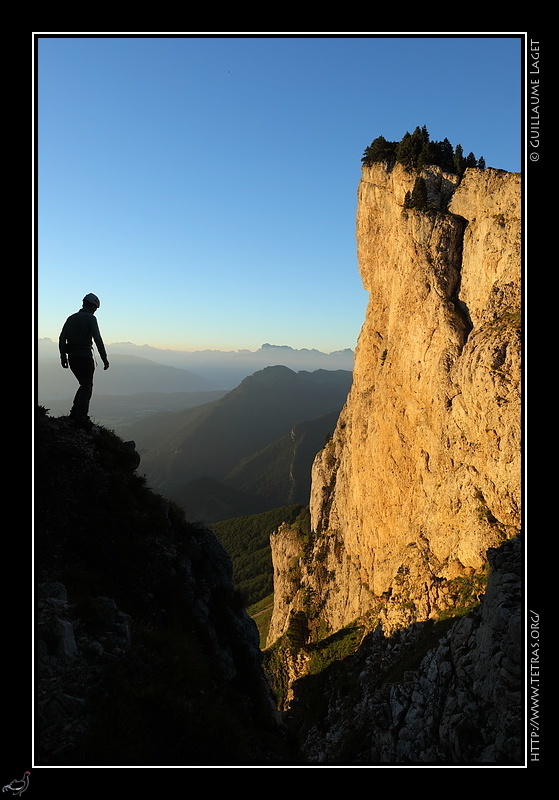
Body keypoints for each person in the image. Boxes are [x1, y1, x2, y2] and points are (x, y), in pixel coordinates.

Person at [59, 293, 110, 428]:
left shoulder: (71, 318)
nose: (95, 310)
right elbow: (97, 339)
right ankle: (81, 418)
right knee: (87, 386)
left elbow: (62, 338)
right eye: (95, 308)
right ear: (92, 306)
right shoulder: (91, 319)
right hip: (85, 357)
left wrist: (63, 356)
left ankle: (75, 413)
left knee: (83, 384)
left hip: (72, 358)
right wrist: (104, 358)